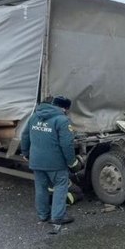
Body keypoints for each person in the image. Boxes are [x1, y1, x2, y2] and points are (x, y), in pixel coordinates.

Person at [20, 96, 80, 225]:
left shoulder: (34, 117)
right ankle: (58, 216)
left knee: (41, 188)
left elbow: (25, 135)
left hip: (36, 161)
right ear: (64, 108)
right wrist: (72, 161)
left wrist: (25, 153)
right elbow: (67, 144)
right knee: (60, 186)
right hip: (55, 163)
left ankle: (43, 215)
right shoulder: (62, 120)